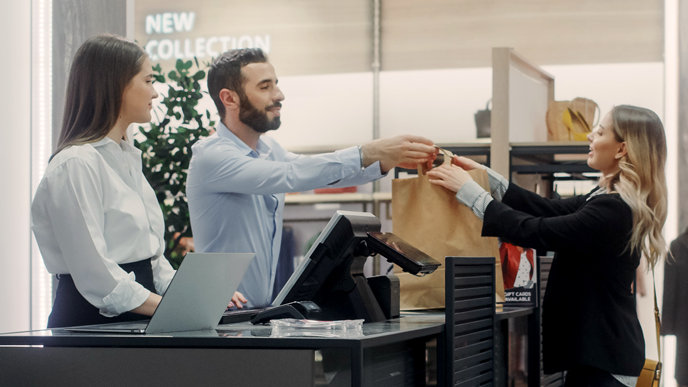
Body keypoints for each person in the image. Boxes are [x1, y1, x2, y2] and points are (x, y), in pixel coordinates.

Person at [427, 105, 667, 387]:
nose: (590, 136)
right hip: (600, 357)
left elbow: (537, 232)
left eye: (600, 131)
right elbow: (547, 209)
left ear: (621, 149)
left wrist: (470, 192)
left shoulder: (613, 210)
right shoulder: (605, 198)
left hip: (603, 363)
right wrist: (486, 177)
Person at [187, 48, 435, 309]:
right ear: (229, 98)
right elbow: (292, 175)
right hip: (220, 315)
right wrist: (368, 152)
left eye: (276, 85)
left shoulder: (271, 150)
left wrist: (384, 160)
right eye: (264, 87)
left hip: (257, 312)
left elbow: (317, 175)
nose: (279, 96)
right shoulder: (211, 157)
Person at [31, 34, 177, 328]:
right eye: (148, 81)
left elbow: (153, 260)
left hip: (137, 321)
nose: (155, 93)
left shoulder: (126, 160)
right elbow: (97, 275)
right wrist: (171, 307)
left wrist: (195, 299)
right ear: (118, 85)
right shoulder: (75, 165)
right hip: (90, 329)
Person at [663, 229, 688, 387]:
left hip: (683, 321)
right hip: (684, 321)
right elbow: (670, 288)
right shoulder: (678, 246)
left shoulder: (678, 246)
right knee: (684, 371)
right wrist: (667, 325)